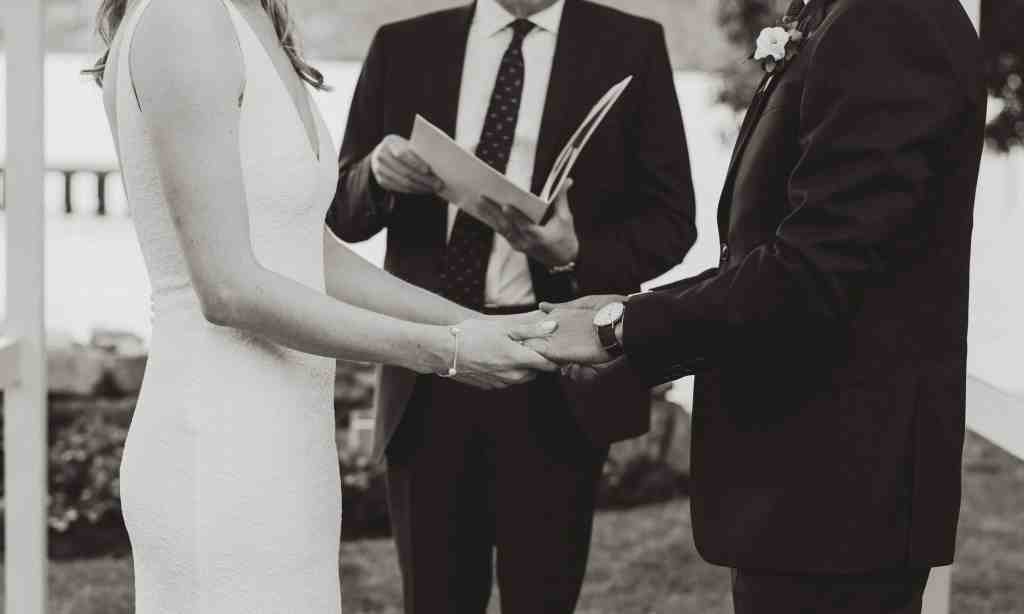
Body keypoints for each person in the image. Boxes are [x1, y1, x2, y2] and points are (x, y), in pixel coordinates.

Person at [87, 0, 558, 611]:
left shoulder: (250, 17)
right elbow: (228, 289)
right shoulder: (186, 17)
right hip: (219, 445)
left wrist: (478, 324)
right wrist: (448, 354)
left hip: (287, 443)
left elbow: (312, 254)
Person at [517, 0, 987, 612]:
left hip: (842, 492)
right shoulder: (838, 15)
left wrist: (621, 328)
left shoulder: (890, 18)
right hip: (809, 493)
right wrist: (634, 310)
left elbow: (816, 271)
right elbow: (772, 252)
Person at [328, 0, 696, 612]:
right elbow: (341, 209)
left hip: (556, 371)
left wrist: (574, 253)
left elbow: (672, 222)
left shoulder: (630, 45)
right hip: (427, 366)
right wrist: (375, 173)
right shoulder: (404, 44)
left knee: (543, 597)